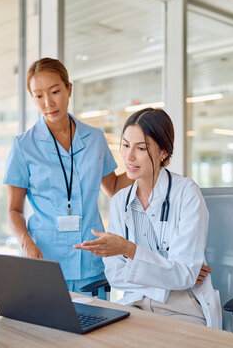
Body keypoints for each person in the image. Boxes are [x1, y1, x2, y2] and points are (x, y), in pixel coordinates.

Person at [74, 108, 221, 327]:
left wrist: (129, 251)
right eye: (125, 145)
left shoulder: (186, 193)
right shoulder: (119, 201)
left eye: (141, 148)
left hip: (182, 308)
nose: (129, 157)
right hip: (135, 306)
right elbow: (115, 276)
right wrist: (168, 273)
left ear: (163, 152)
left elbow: (183, 275)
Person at [4, 57, 132, 298]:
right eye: (38, 96)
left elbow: (113, 187)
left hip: (91, 257)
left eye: (55, 91)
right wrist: (25, 242)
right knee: (48, 332)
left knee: (95, 329)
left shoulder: (94, 138)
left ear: (69, 89)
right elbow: (14, 210)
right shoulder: (23, 146)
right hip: (45, 259)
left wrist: (144, 166)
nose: (48, 103)